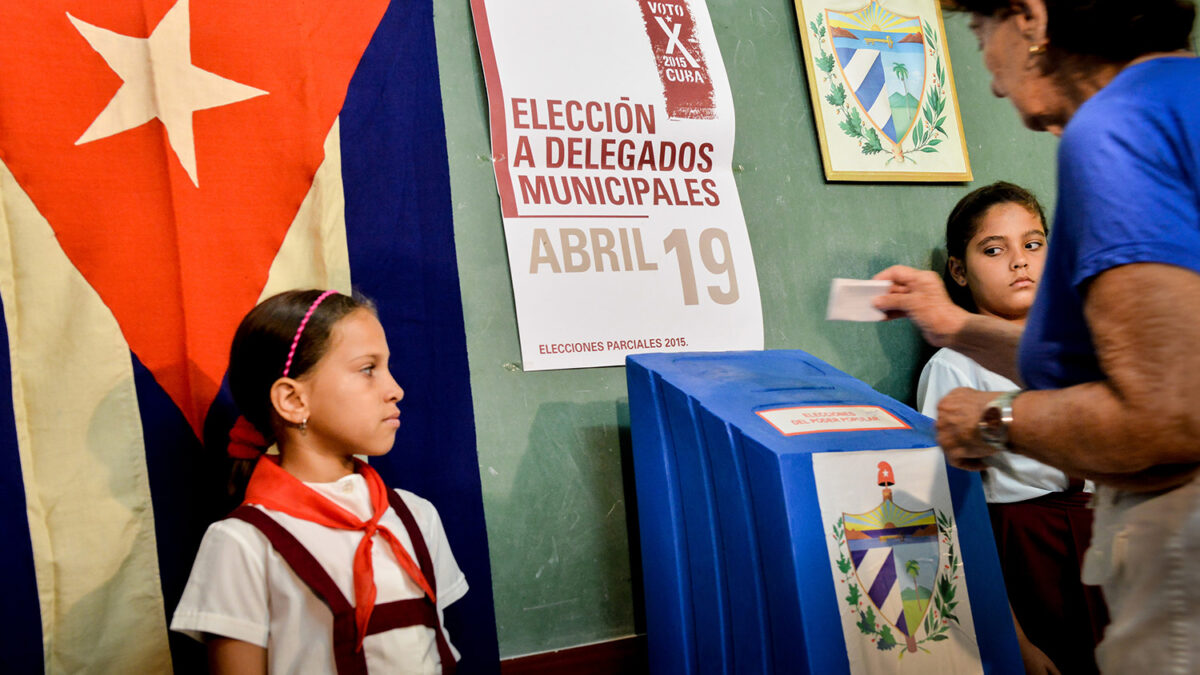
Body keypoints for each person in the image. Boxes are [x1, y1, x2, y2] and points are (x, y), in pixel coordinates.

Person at [874, 0, 1200, 671]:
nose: (991, 78)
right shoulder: (1179, 101)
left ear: (1029, 19)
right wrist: (959, 328)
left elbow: (1166, 415)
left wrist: (996, 418)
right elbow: (1121, 365)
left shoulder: (1116, 125)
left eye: (977, 33)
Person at [171, 289, 468, 674]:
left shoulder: (415, 516)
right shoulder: (242, 543)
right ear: (293, 401)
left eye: (387, 367)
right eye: (368, 369)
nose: (395, 389)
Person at [916, 181, 1106, 674]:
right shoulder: (953, 368)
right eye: (994, 250)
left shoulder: (1086, 346)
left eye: (1034, 243)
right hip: (1024, 549)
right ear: (958, 270)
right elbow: (954, 514)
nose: (1019, 261)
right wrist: (1014, 636)